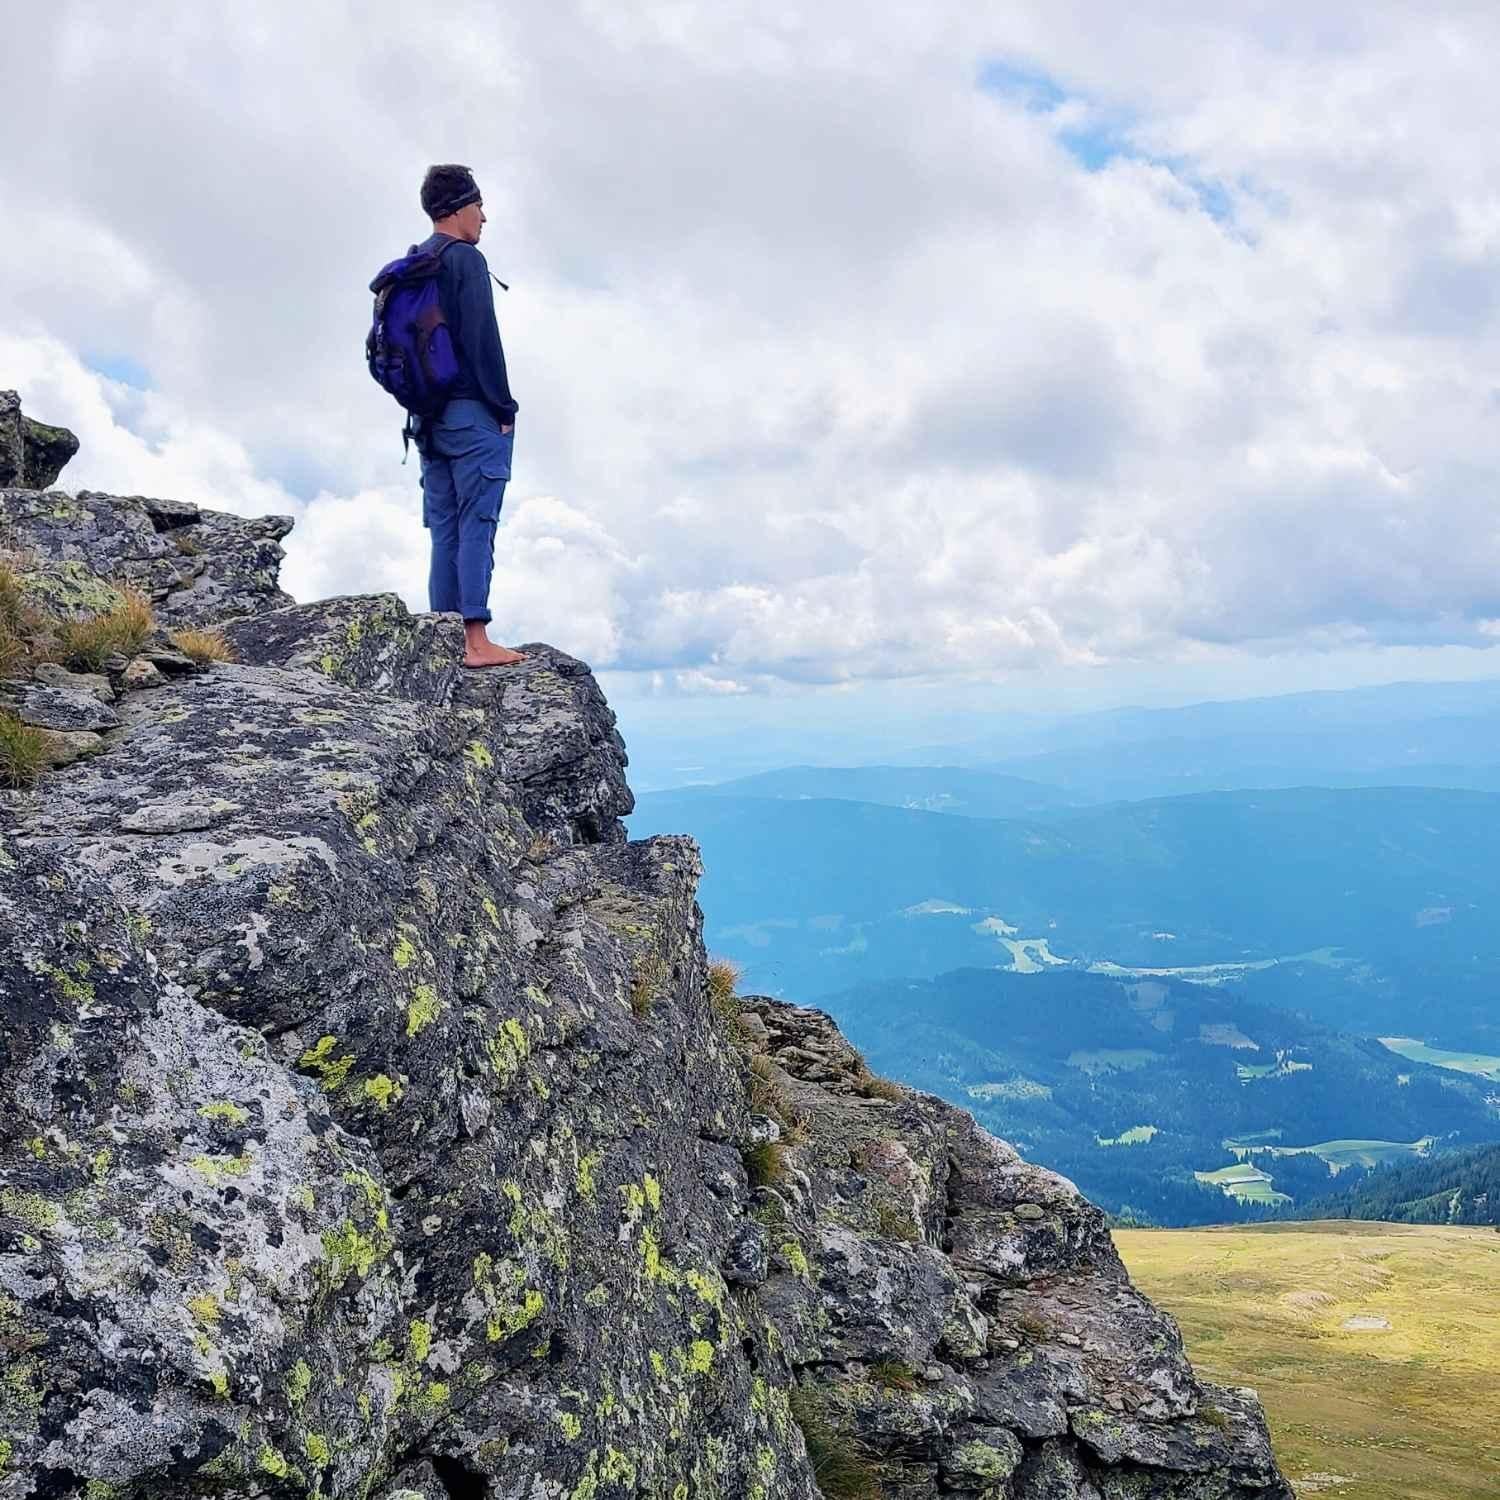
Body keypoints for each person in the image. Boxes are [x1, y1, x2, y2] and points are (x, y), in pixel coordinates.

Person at [413, 163, 525, 668]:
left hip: (427, 420)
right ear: (458, 208)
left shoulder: (416, 263)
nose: (484, 216)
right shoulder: (465, 261)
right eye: (479, 205)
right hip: (471, 415)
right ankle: (476, 641)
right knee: (477, 521)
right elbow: (483, 342)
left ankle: (445, 640)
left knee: (445, 530)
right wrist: (504, 408)